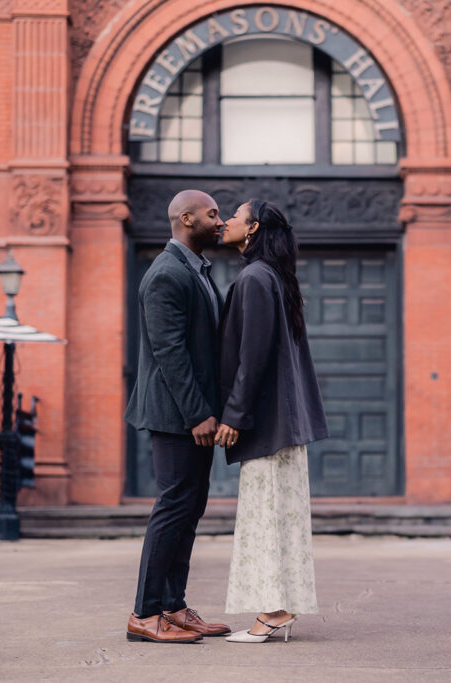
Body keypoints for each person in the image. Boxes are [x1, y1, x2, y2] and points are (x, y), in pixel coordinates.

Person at [215, 199, 329, 643]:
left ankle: (272, 613)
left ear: (253, 228)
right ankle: (278, 609)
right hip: (283, 423)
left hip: (268, 425)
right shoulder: (273, 278)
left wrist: (234, 415)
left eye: (234, 216)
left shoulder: (256, 278)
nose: (225, 221)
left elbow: (254, 356)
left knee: (266, 519)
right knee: (282, 517)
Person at [123, 189, 232, 644]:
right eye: (212, 214)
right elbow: (170, 352)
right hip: (175, 415)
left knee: (189, 509)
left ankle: (173, 606)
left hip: (192, 415)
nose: (220, 220)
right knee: (172, 509)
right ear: (187, 219)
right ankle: (144, 614)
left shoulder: (196, 269)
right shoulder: (167, 273)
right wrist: (198, 413)